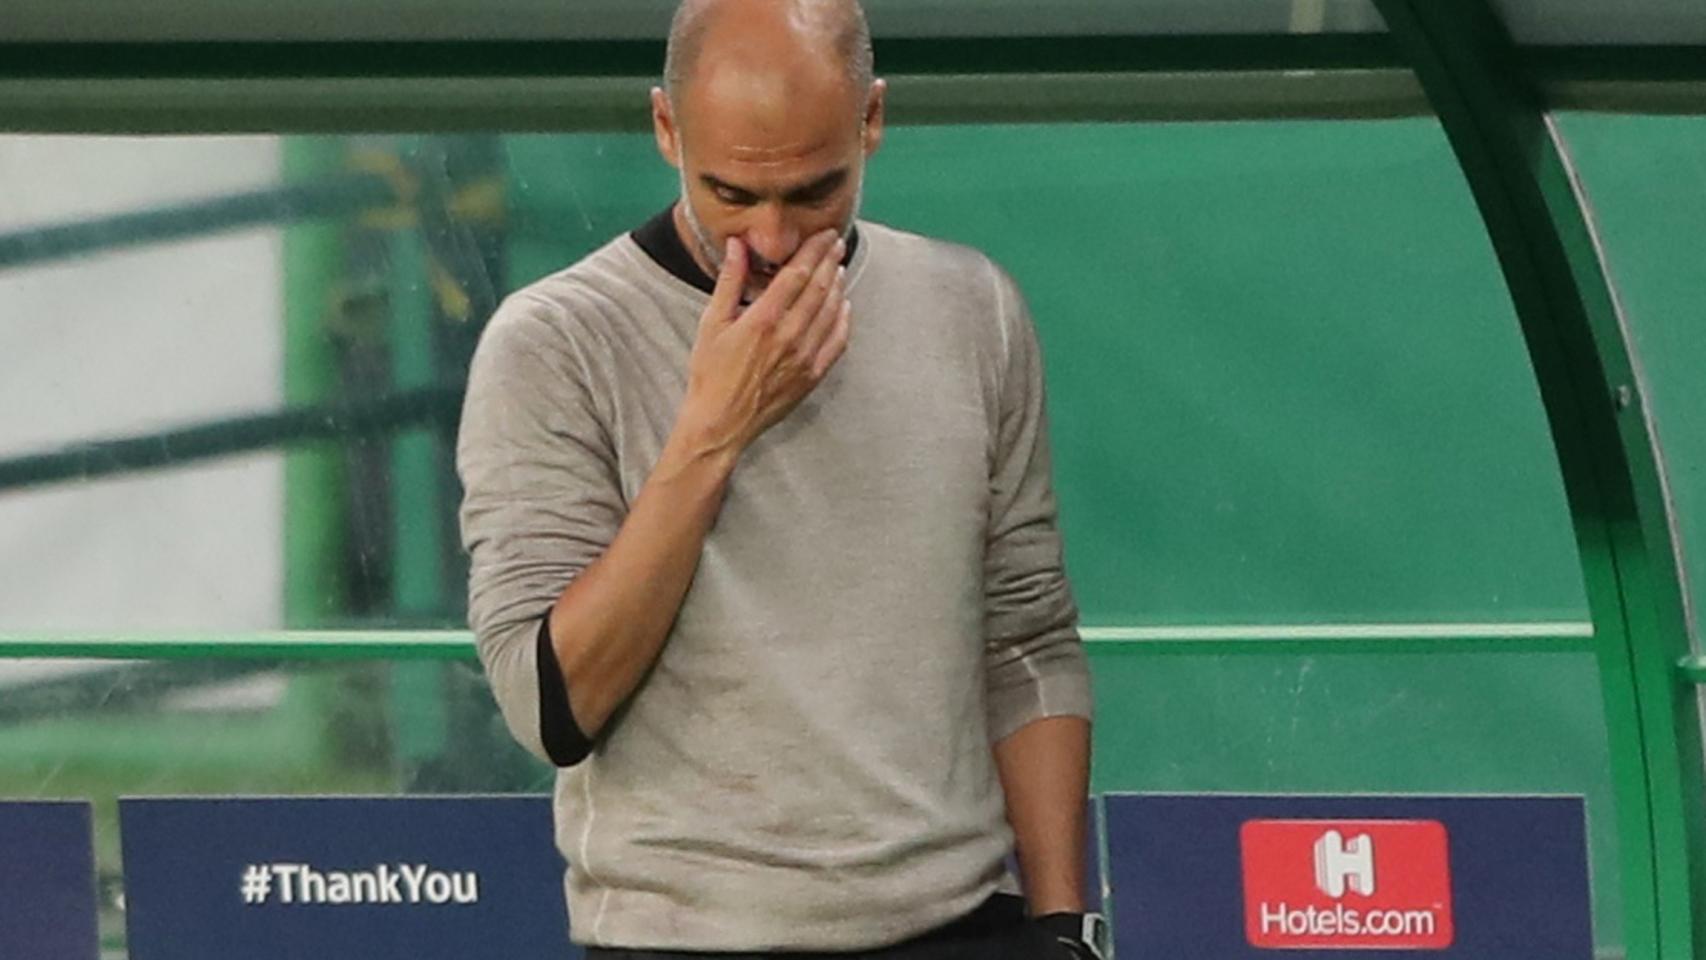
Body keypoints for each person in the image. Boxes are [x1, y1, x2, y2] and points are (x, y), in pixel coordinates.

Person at [456, 0, 1103, 956]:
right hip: (679, 937)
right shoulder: (555, 342)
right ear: (666, 129)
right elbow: (551, 707)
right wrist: (712, 433)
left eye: (813, 193)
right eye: (729, 195)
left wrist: (1061, 924)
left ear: (872, 120)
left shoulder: (974, 311)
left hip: (960, 922)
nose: (769, 237)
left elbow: (1028, 641)